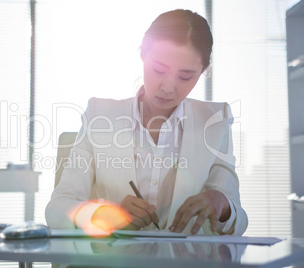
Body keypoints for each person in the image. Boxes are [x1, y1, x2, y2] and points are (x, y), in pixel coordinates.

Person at [45, 9, 248, 235]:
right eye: (159, 69)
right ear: (142, 54)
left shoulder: (215, 121)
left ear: (203, 71)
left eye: (185, 77)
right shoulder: (98, 115)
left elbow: (237, 221)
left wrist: (222, 205)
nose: (168, 88)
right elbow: (57, 208)